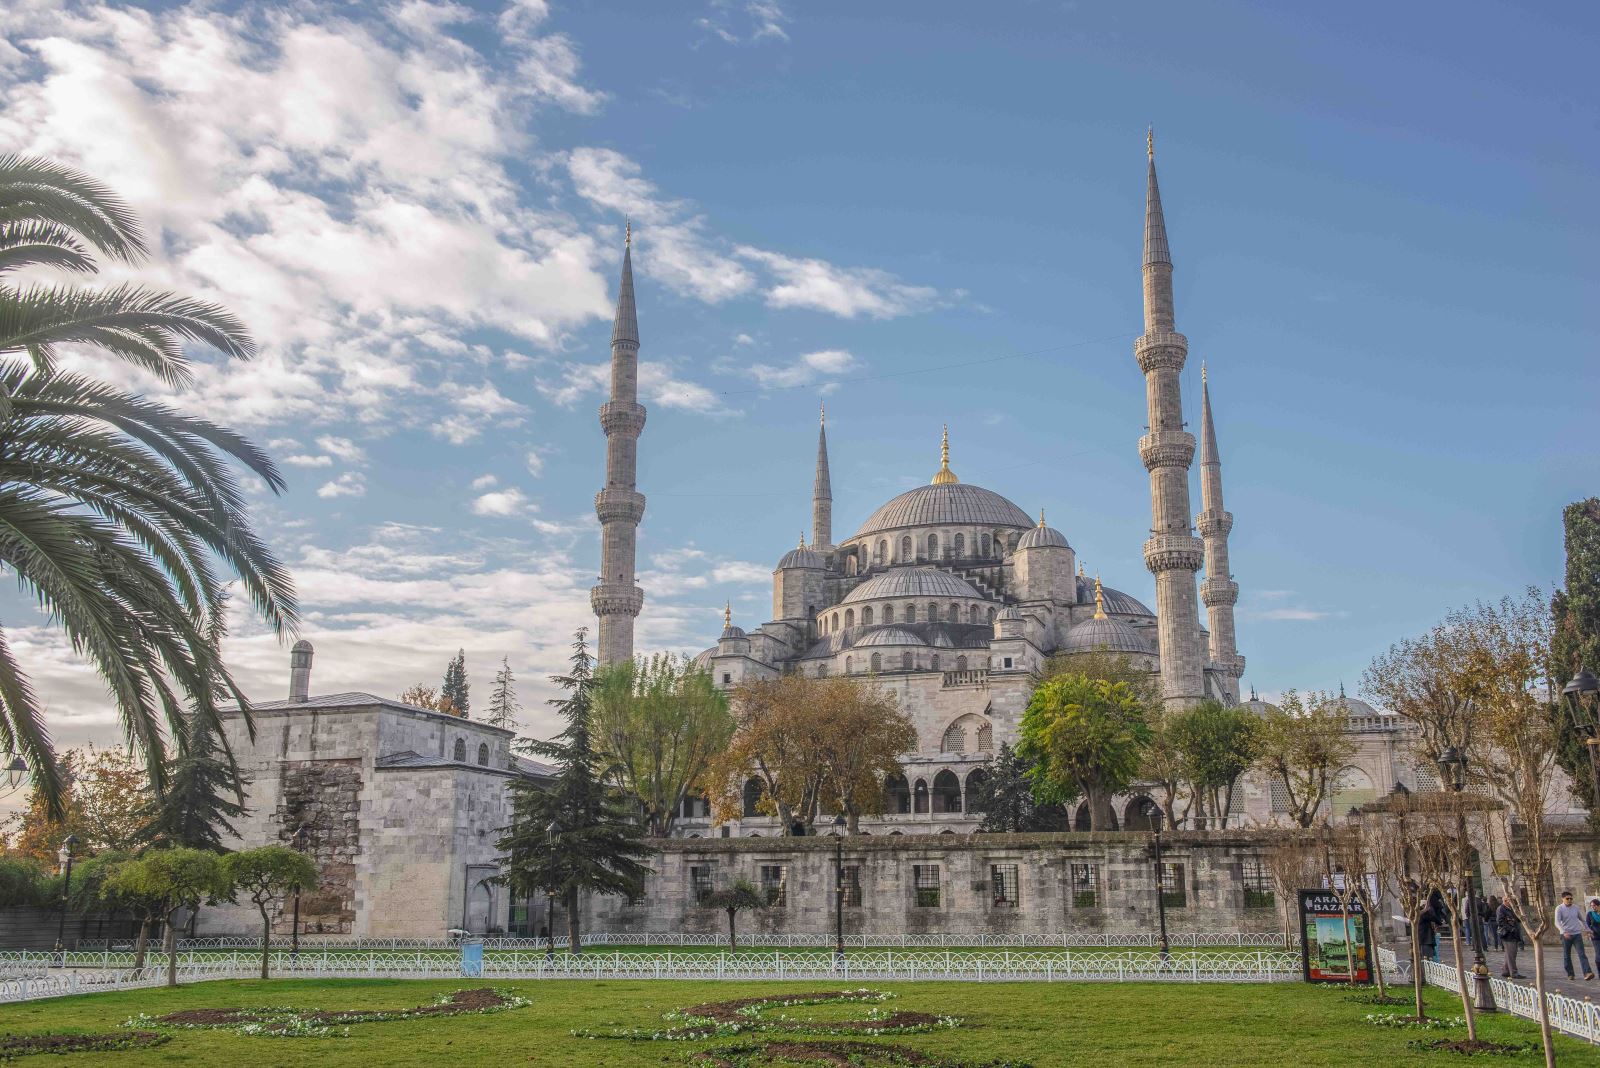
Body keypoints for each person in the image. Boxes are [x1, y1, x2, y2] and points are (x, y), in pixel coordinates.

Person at [1555, 890, 1595, 980]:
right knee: (1567, 955)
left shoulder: (1575, 908)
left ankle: (1587, 973)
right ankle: (1570, 974)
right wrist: (1563, 932)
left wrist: (1588, 930)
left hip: (1577, 934)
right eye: (1567, 898)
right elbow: (1557, 922)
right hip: (1565, 935)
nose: (1569, 900)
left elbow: (1582, 920)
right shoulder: (1559, 908)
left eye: (1571, 898)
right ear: (1563, 899)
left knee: (1582, 954)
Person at [1496, 898, 1524, 979]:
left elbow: (1516, 919)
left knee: (1510, 953)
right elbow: (1500, 922)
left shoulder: (1511, 908)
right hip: (1507, 934)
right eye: (1511, 901)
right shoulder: (1501, 909)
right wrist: (1510, 929)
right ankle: (1514, 972)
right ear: (1505, 901)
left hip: (1513, 934)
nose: (1512, 903)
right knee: (1511, 954)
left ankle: (1506, 970)